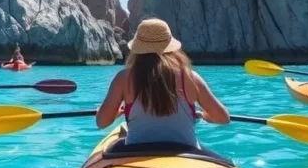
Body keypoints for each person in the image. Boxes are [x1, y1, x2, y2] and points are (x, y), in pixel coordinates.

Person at [96, 18, 230, 148]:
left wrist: (115, 113)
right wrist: (203, 115)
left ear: (137, 48)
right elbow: (223, 118)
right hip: (185, 151)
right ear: (171, 47)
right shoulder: (191, 77)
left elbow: (102, 122)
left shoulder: (123, 78)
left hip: (135, 151)